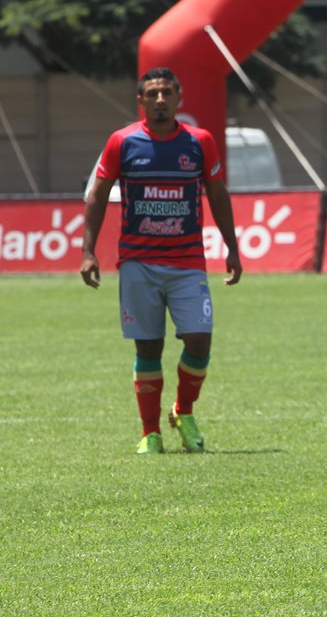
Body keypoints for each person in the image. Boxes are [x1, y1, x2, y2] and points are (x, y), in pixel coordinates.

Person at [80, 67, 242, 455]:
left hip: (188, 262)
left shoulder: (199, 142)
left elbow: (218, 196)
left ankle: (183, 411)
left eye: (166, 92)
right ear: (141, 100)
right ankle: (150, 432)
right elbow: (98, 195)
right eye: (152, 93)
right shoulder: (122, 142)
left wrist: (232, 247)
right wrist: (88, 251)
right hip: (139, 263)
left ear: (178, 98)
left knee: (200, 340)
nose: (159, 99)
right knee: (148, 348)